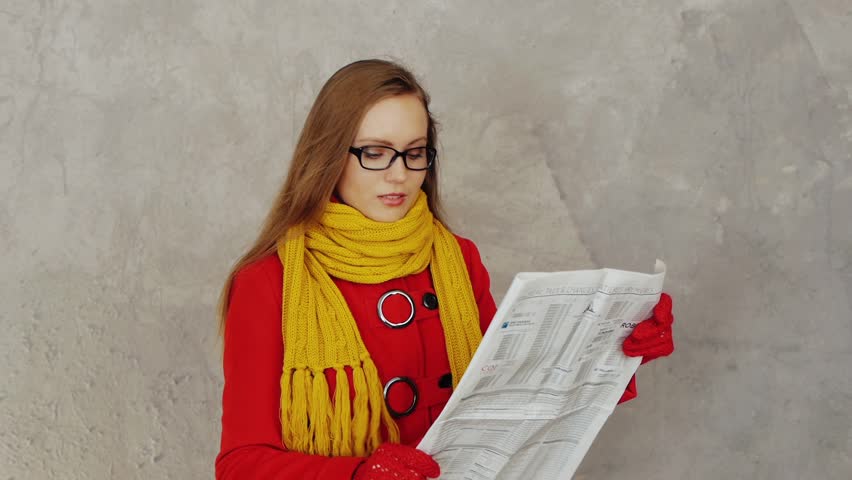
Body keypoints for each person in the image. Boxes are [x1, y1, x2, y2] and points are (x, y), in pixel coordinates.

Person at [214, 59, 675, 480]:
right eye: (375, 152)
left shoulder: (457, 257)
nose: (399, 174)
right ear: (330, 156)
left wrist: (616, 352)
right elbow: (239, 464)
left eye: (415, 152)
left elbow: (511, 400)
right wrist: (356, 475)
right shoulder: (267, 281)